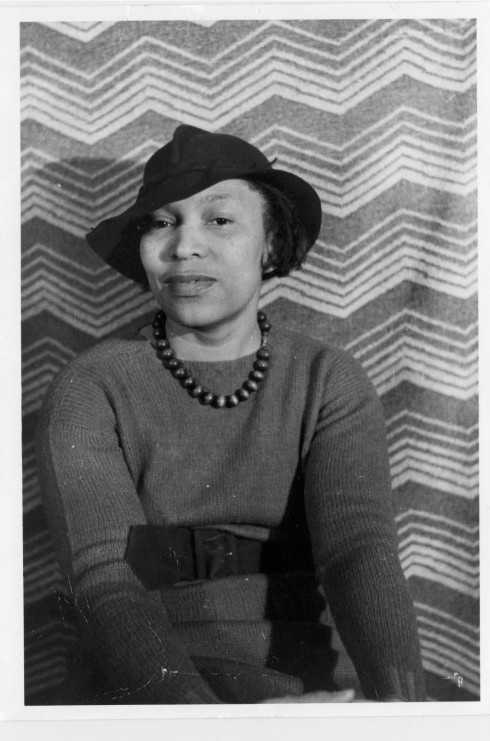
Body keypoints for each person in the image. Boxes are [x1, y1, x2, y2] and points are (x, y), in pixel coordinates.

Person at [37, 124, 426, 704]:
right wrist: (207, 724)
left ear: (270, 243)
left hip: (317, 688)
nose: (184, 246)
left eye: (219, 219)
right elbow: (106, 579)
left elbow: (358, 552)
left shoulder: (328, 379)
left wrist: (401, 710)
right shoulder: (91, 387)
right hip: (150, 694)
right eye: (162, 223)